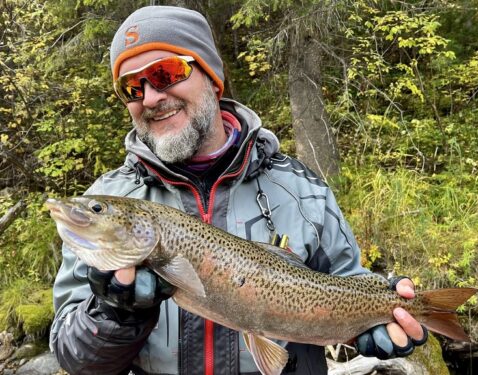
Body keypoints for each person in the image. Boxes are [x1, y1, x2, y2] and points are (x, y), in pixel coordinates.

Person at [49, 6, 427, 375]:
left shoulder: (302, 190)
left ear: (213, 77)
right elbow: (74, 357)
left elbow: (349, 282)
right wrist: (115, 315)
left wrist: (386, 308)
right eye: (132, 87)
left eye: (165, 73)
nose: (149, 97)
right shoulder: (109, 198)